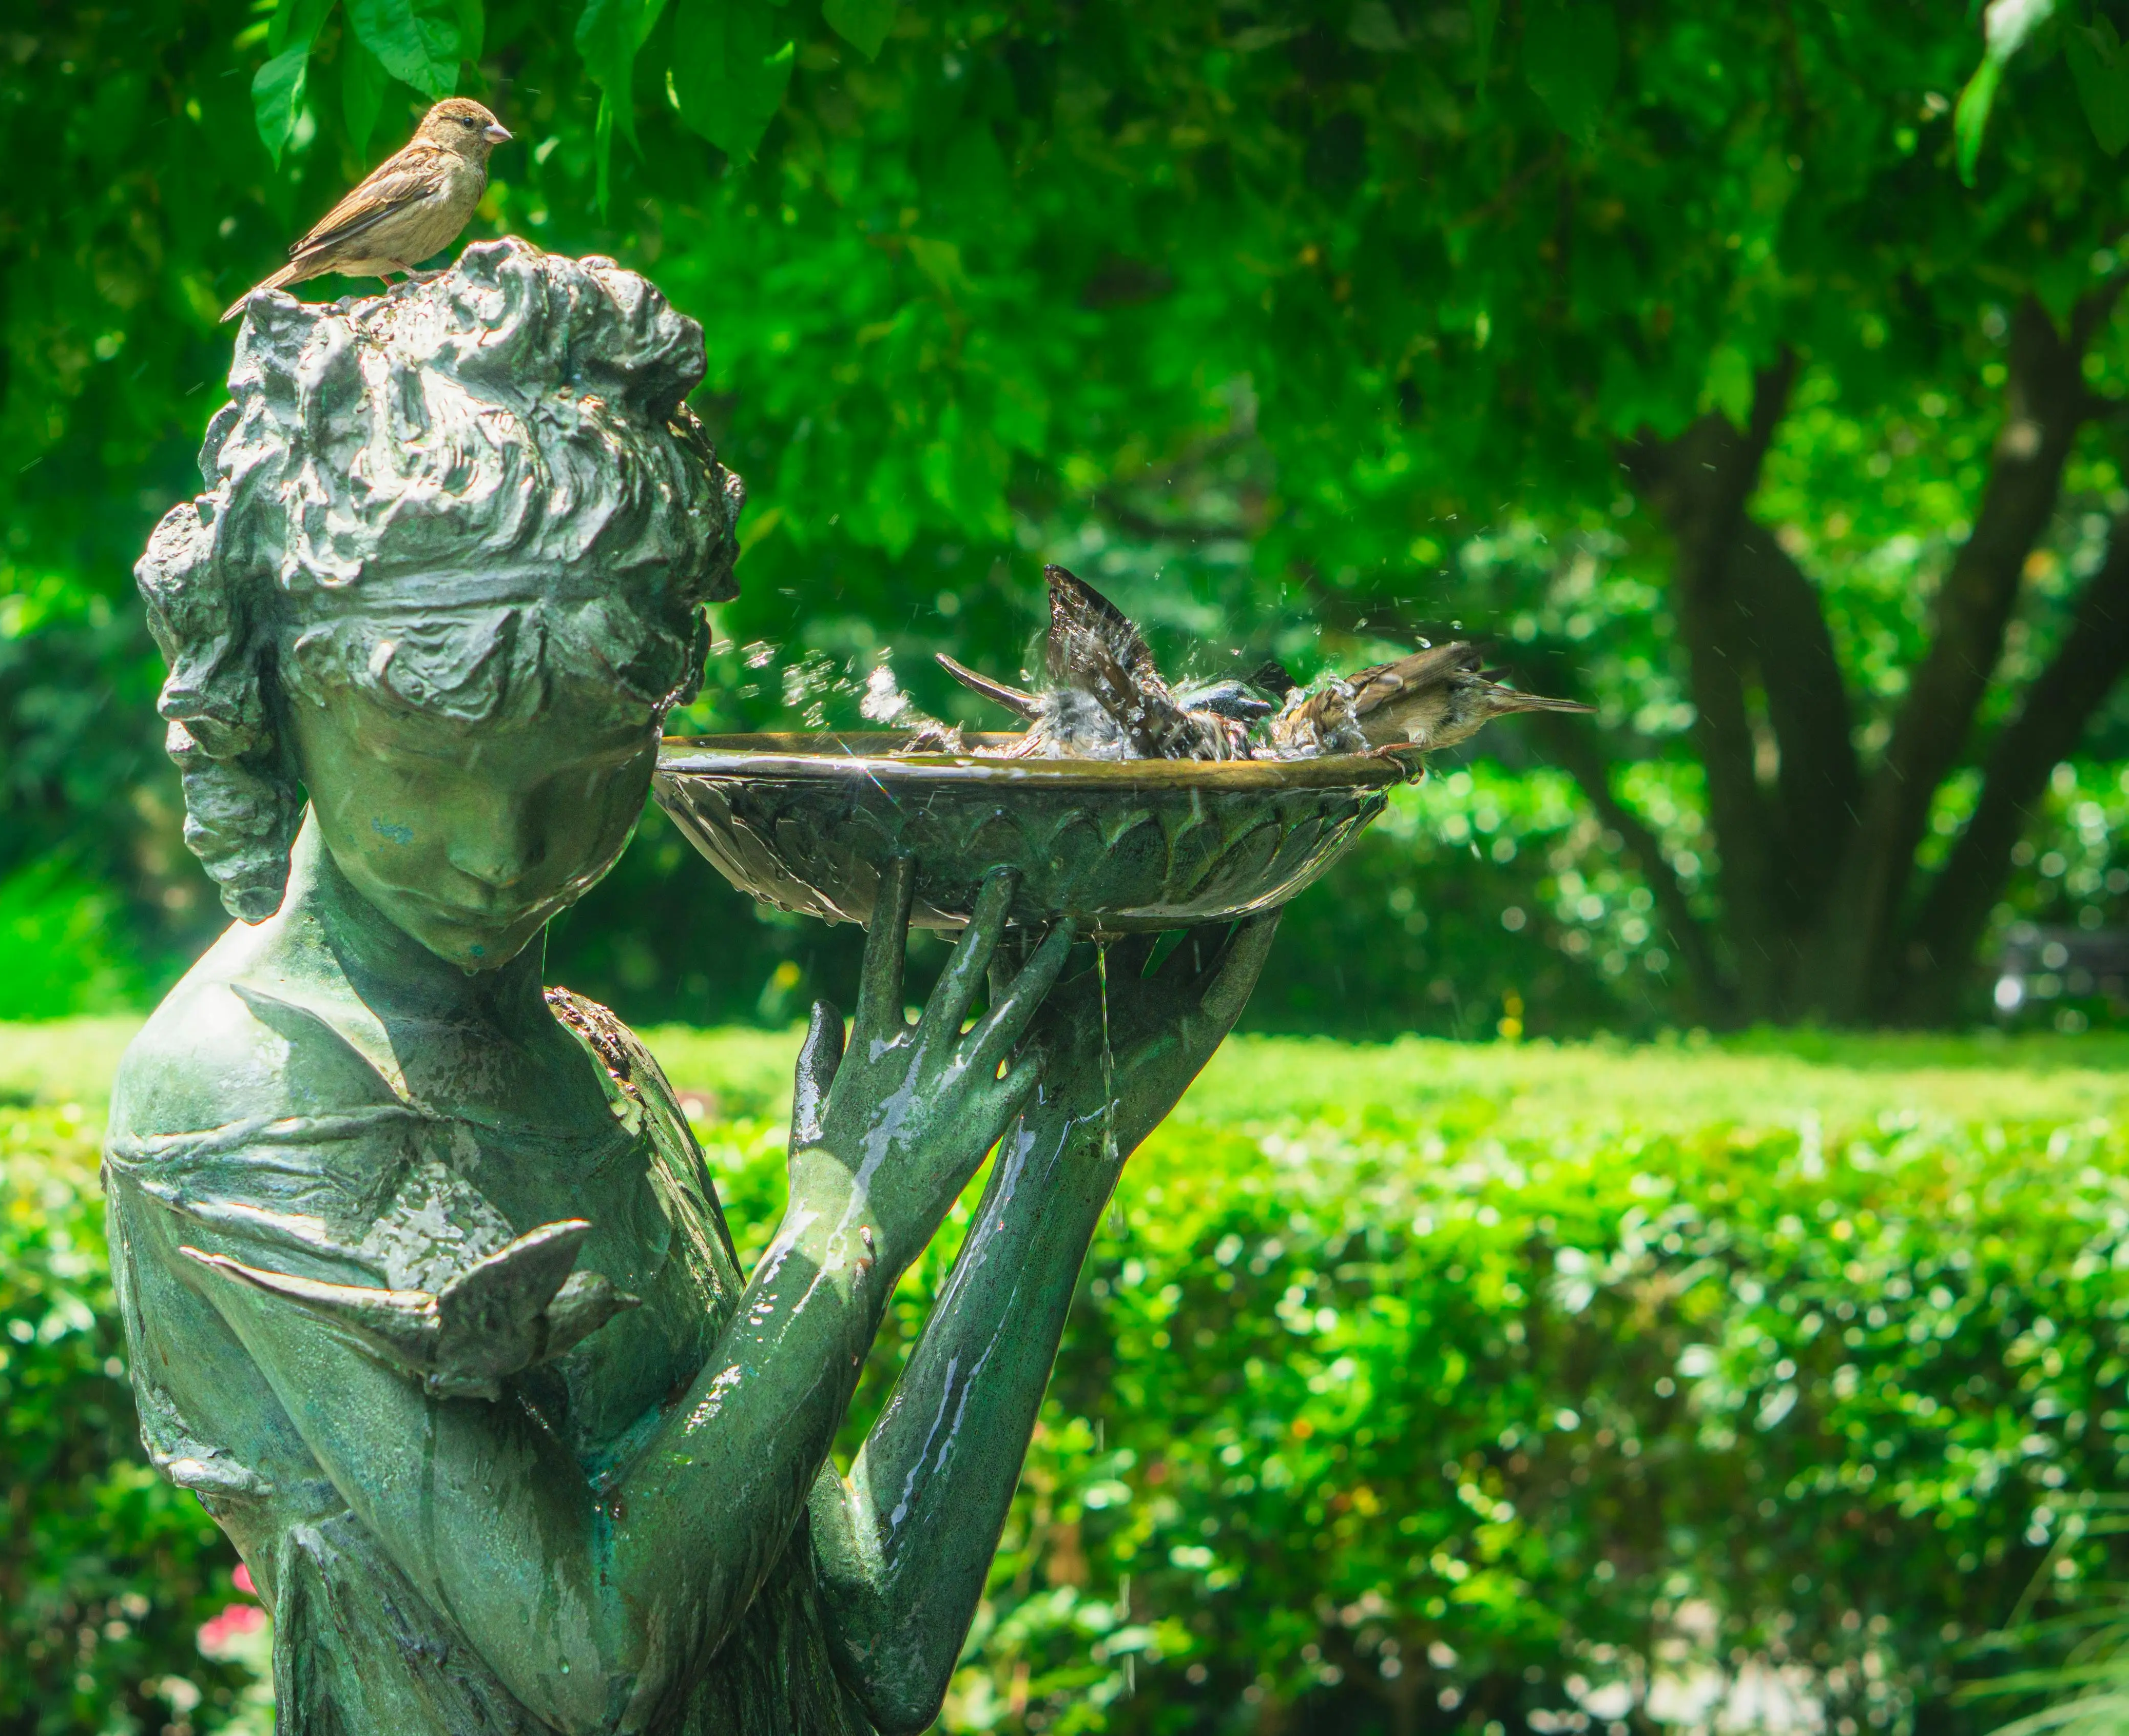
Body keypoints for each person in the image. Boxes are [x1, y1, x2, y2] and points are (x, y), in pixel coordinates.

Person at [107, 237, 1278, 1735]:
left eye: (586, 770)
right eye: (423, 771)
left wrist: (1063, 1144)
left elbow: (862, 1645)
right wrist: (844, 1226)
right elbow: (596, 1655)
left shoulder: (594, 1067)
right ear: (274, 706)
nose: (502, 849)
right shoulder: (245, 1085)